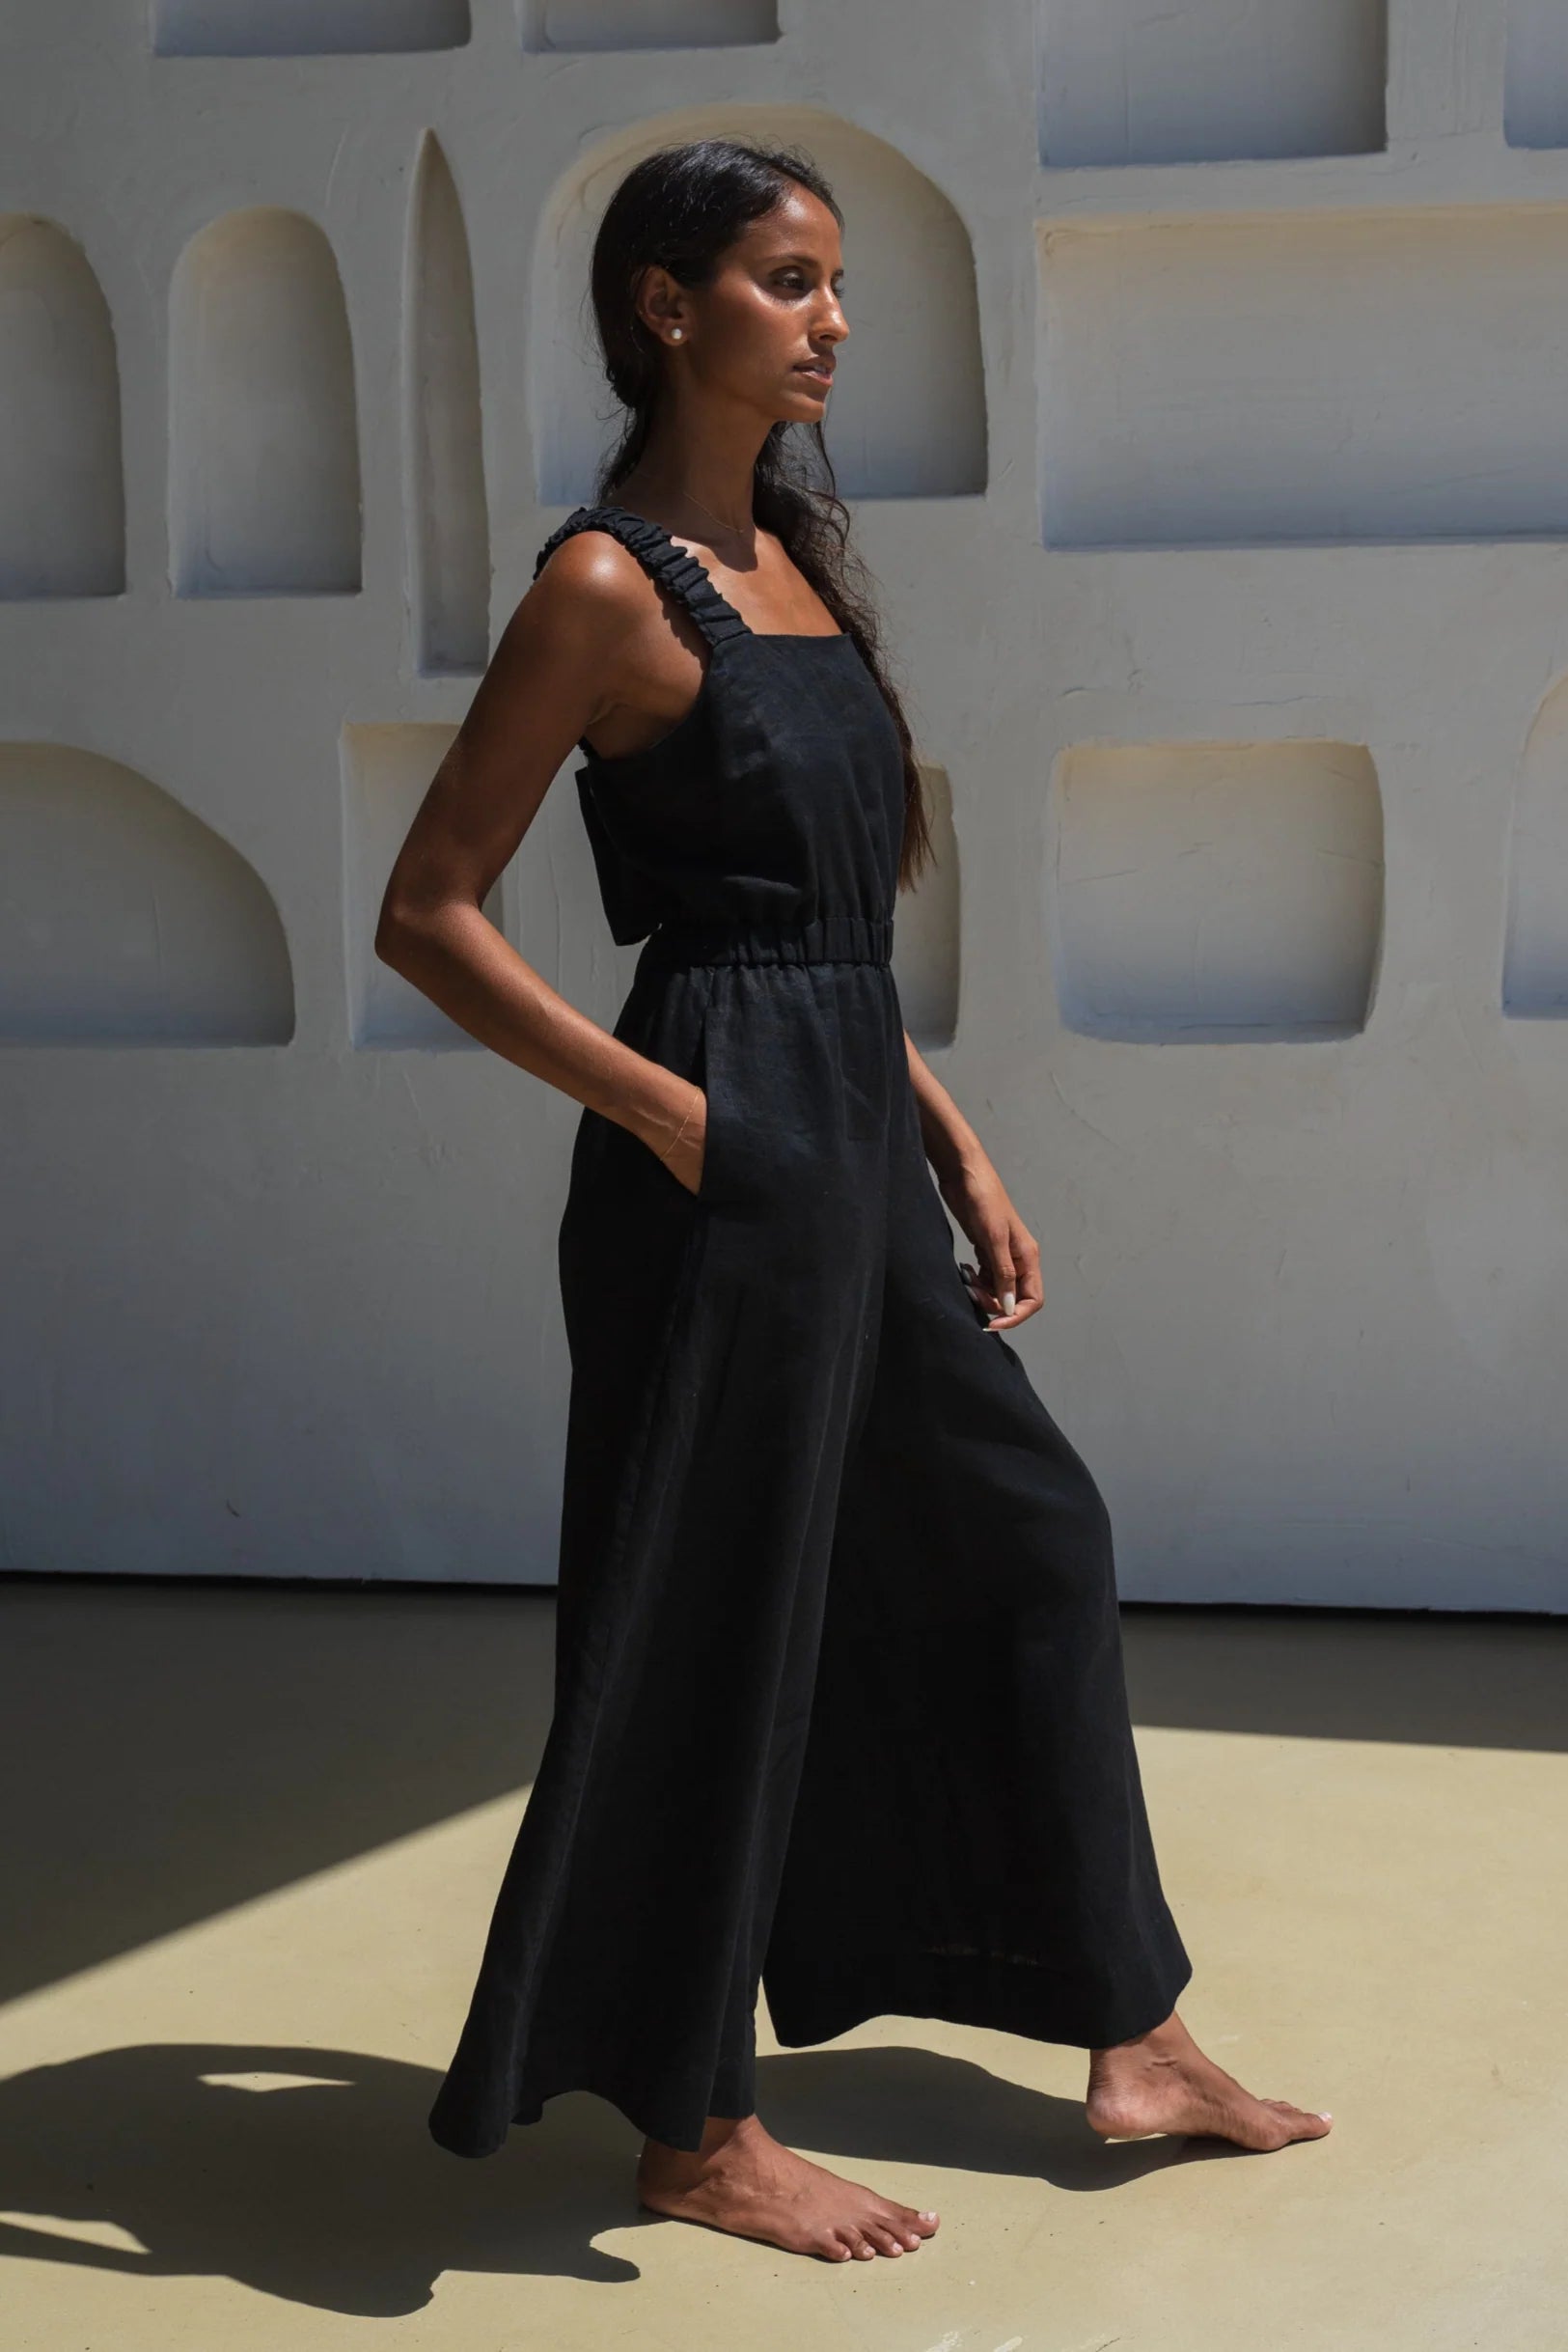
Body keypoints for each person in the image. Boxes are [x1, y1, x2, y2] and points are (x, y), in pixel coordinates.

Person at [374, 135, 1332, 2266]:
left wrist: (952, 1132)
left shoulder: (794, 562)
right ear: (665, 305)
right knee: (716, 1616)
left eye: (834, 285)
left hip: (844, 1122)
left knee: (1026, 1535)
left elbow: (816, 928)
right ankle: (695, 2119)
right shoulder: (606, 589)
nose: (830, 320)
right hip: (712, 1158)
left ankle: (1132, 2028)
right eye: (790, 280)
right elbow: (428, 912)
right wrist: (664, 1116)